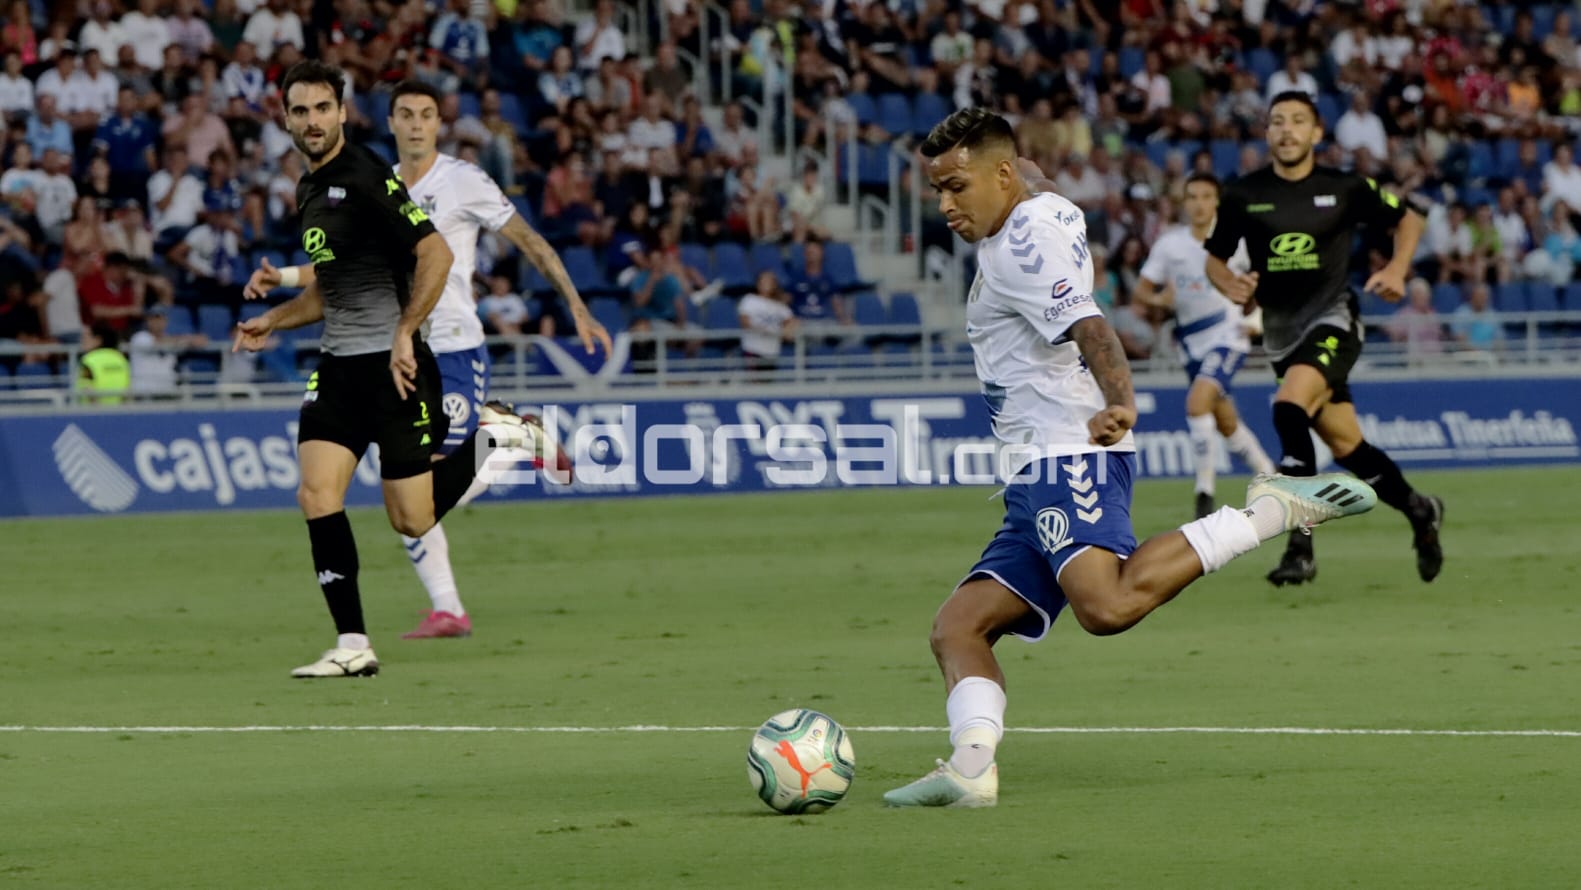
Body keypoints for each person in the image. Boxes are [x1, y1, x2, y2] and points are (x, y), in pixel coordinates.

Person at [883, 108, 1378, 810]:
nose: (944, 206)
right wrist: (1007, 167)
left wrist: (1120, 402)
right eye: (936, 189)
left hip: (1068, 452)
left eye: (955, 187)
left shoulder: (1024, 252)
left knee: (1107, 605)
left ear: (997, 177)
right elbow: (1033, 173)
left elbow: (1090, 325)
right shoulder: (1042, 202)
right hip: (1030, 474)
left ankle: (1273, 509)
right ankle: (970, 770)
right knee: (957, 626)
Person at [245, 78, 611, 641]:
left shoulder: (464, 181)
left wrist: (577, 305)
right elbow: (345, 267)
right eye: (406, 115)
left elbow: (529, 240)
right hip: (388, 349)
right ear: (389, 123)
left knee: (427, 483)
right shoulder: (373, 183)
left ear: (439, 123)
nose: (416, 124)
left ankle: (502, 438)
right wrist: (284, 280)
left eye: (426, 114)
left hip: (455, 345)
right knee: (408, 496)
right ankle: (447, 606)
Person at [1204, 91, 1446, 588]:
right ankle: (1420, 510)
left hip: (1335, 320)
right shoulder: (1242, 194)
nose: (1286, 130)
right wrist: (1229, 283)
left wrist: (1399, 267)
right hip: (1280, 333)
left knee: (1288, 407)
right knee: (1348, 445)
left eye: (1298, 121)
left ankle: (1300, 545)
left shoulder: (1345, 187)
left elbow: (1412, 215)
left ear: (1317, 133)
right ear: (1267, 133)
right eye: (1276, 122)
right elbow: (1215, 258)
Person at [1133, 172, 1276, 519]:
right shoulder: (1170, 244)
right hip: (1191, 342)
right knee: (1226, 422)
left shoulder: (1237, 242)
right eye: (1192, 197)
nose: (1199, 204)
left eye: (1206, 197)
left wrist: (1256, 320)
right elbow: (1141, 292)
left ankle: (1204, 492)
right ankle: (1273, 479)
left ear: (1217, 202)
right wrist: (1160, 300)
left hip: (1229, 335)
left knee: (1197, 403)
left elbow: (1266, 285)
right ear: (1184, 203)